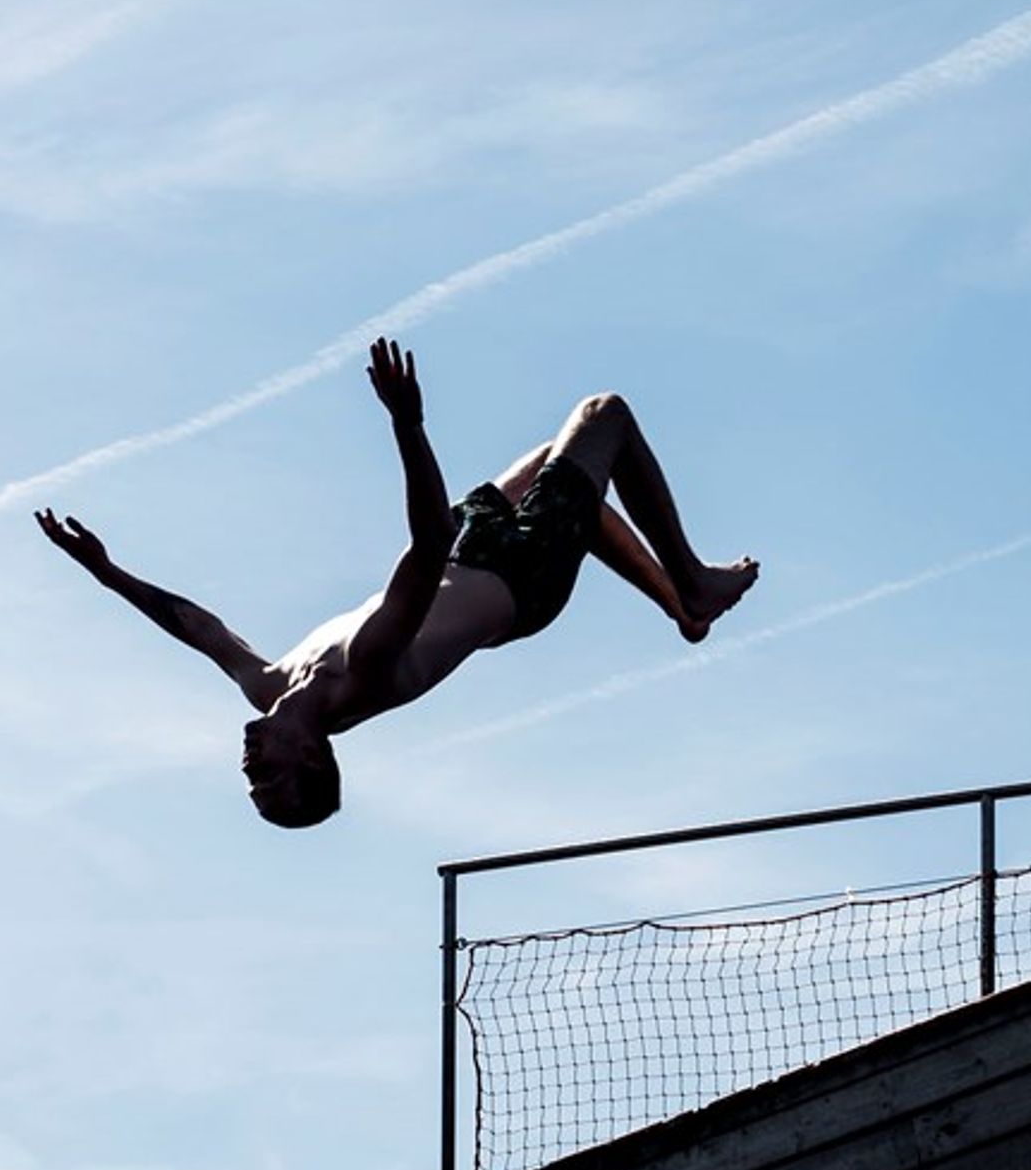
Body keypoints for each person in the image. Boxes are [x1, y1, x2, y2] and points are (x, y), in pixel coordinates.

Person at [37, 339, 758, 828]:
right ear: (315, 755)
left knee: (556, 467)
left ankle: (681, 607)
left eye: (253, 781)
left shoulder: (272, 683)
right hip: (517, 577)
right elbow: (426, 544)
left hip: (471, 549)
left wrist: (107, 573)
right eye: (267, 778)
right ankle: (690, 583)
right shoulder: (366, 673)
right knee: (605, 416)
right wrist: (409, 425)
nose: (248, 766)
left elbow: (198, 628)